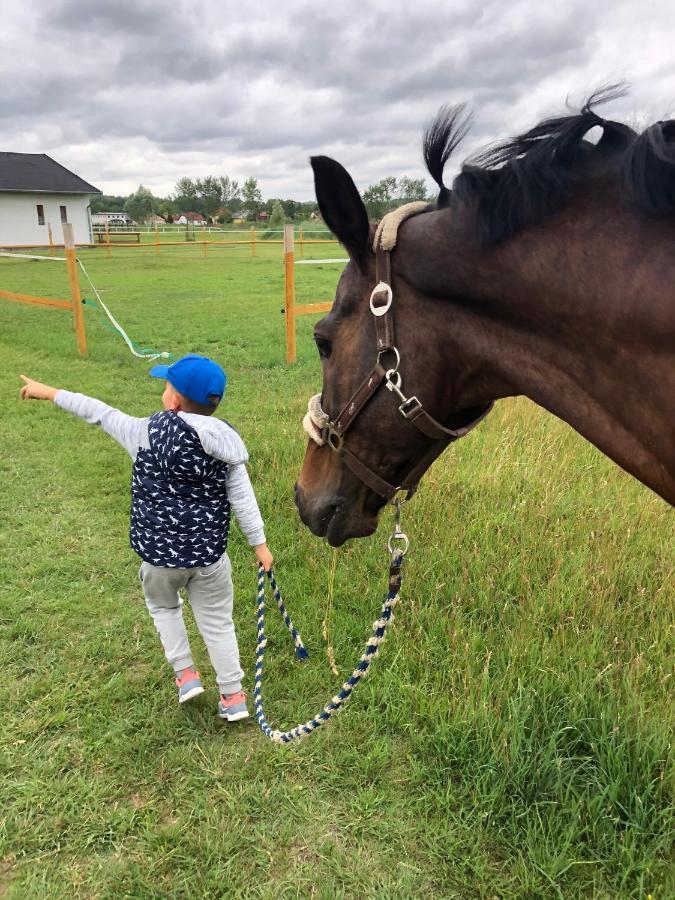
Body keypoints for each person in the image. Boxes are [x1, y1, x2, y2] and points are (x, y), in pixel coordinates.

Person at [19, 354, 273, 722]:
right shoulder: (227, 446)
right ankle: (233, 697)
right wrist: (259, 544)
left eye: (166, 385)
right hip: (209, 558)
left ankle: (186, 675)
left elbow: (98, 411)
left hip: (158, 560)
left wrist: (49, 392)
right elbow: (243, 500)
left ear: (172, 400)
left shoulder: (140, 432)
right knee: (218, 623)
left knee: (164, 608)